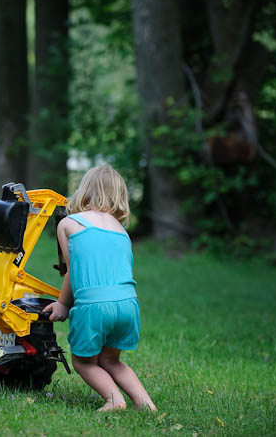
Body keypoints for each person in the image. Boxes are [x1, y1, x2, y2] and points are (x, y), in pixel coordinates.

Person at [43, 165, 157, 412]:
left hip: (95, 307)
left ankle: (114, 400)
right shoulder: (122, 232)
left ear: (83, 191)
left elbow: (72, 271)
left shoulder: (69, 224)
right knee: (111, 359)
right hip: (128, 305)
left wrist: (63, 304)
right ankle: (146, 404)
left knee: (84, 361)